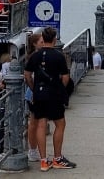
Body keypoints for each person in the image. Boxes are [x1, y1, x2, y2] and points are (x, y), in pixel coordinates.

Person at [24, 27, 76, 171]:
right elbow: (65, 77)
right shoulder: (59, 56)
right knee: (60, 124)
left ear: (44, 39)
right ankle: (58, 158)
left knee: (41, 124)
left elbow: (27, 75)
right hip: (54, 93)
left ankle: (43, 161)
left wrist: (34, 88)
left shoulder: (35, 56)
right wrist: (61, 89)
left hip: (39, 93)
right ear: (54, 39)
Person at [25, 33, 44, 163]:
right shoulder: (34, 57)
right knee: (34, 122)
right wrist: (33, 90)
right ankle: (32, 150)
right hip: (33, 93)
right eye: (41, 42)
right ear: (35, 44)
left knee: (37, 122)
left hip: (37, 92)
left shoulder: (40, 56)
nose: (43, 43)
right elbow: (28, 76)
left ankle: (34, 150)